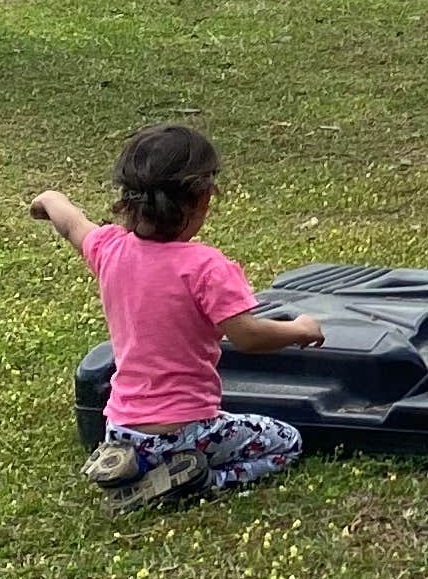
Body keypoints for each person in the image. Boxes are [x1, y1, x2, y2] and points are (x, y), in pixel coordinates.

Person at [29, 123, 324, 510]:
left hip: (120, 426)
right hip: (186, 429)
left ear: (128, 200)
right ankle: (202, 479)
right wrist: (299, 329)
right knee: (286, 441)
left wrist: (49, 200)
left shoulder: (109, 249)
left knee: (157, 441)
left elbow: (71, 223)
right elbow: (248, 336)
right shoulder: (205, 267)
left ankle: (137, 466)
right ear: (202, 199)